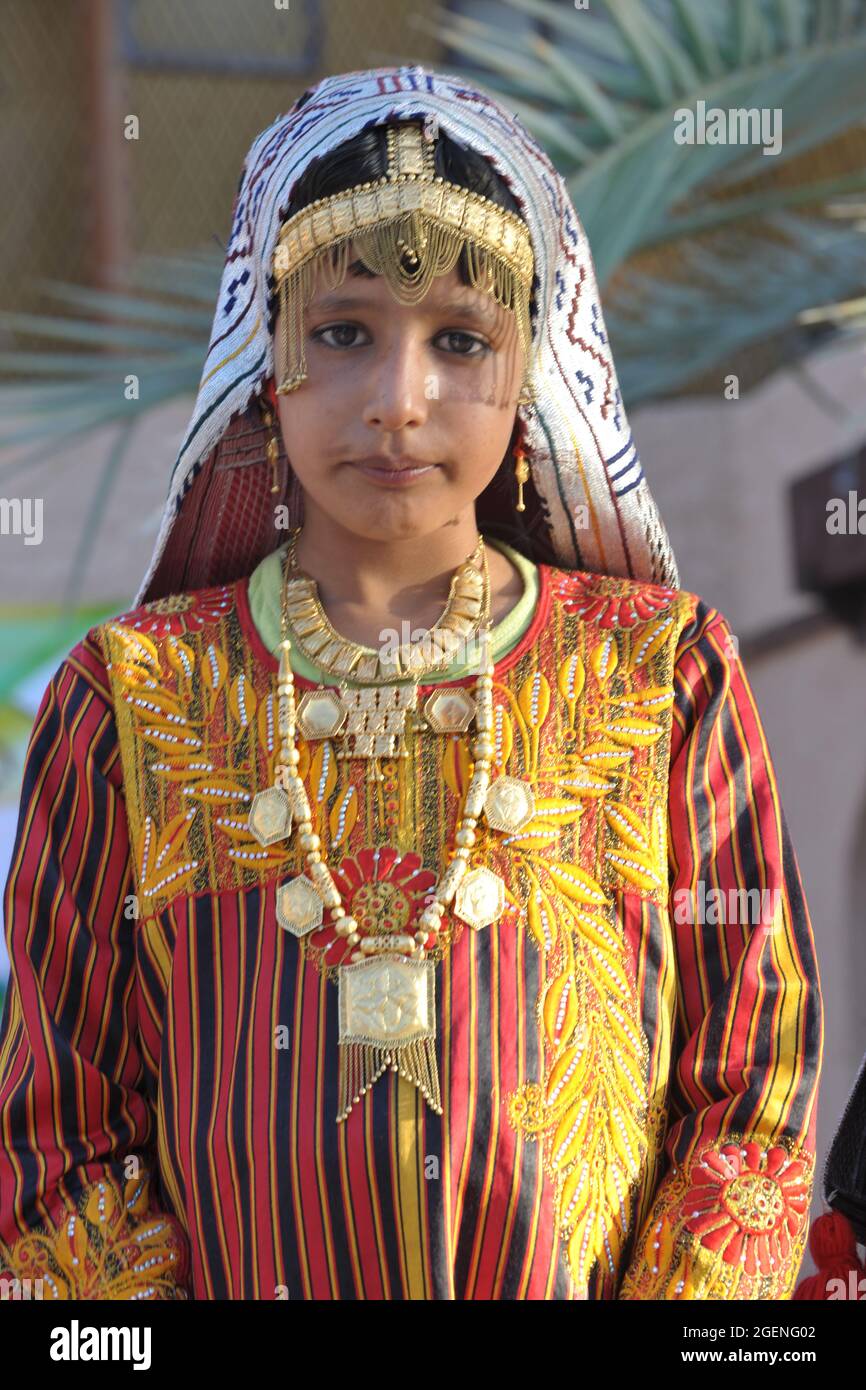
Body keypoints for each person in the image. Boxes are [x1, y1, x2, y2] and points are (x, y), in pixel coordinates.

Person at [0, 64, 822, 1301]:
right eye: (341, 333)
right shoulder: (130, 701)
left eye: (459, 339)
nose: (397, 402)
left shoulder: (659, 673)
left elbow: (749, 1099)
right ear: (260, 356)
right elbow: (54, 1136)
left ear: (533, 365)